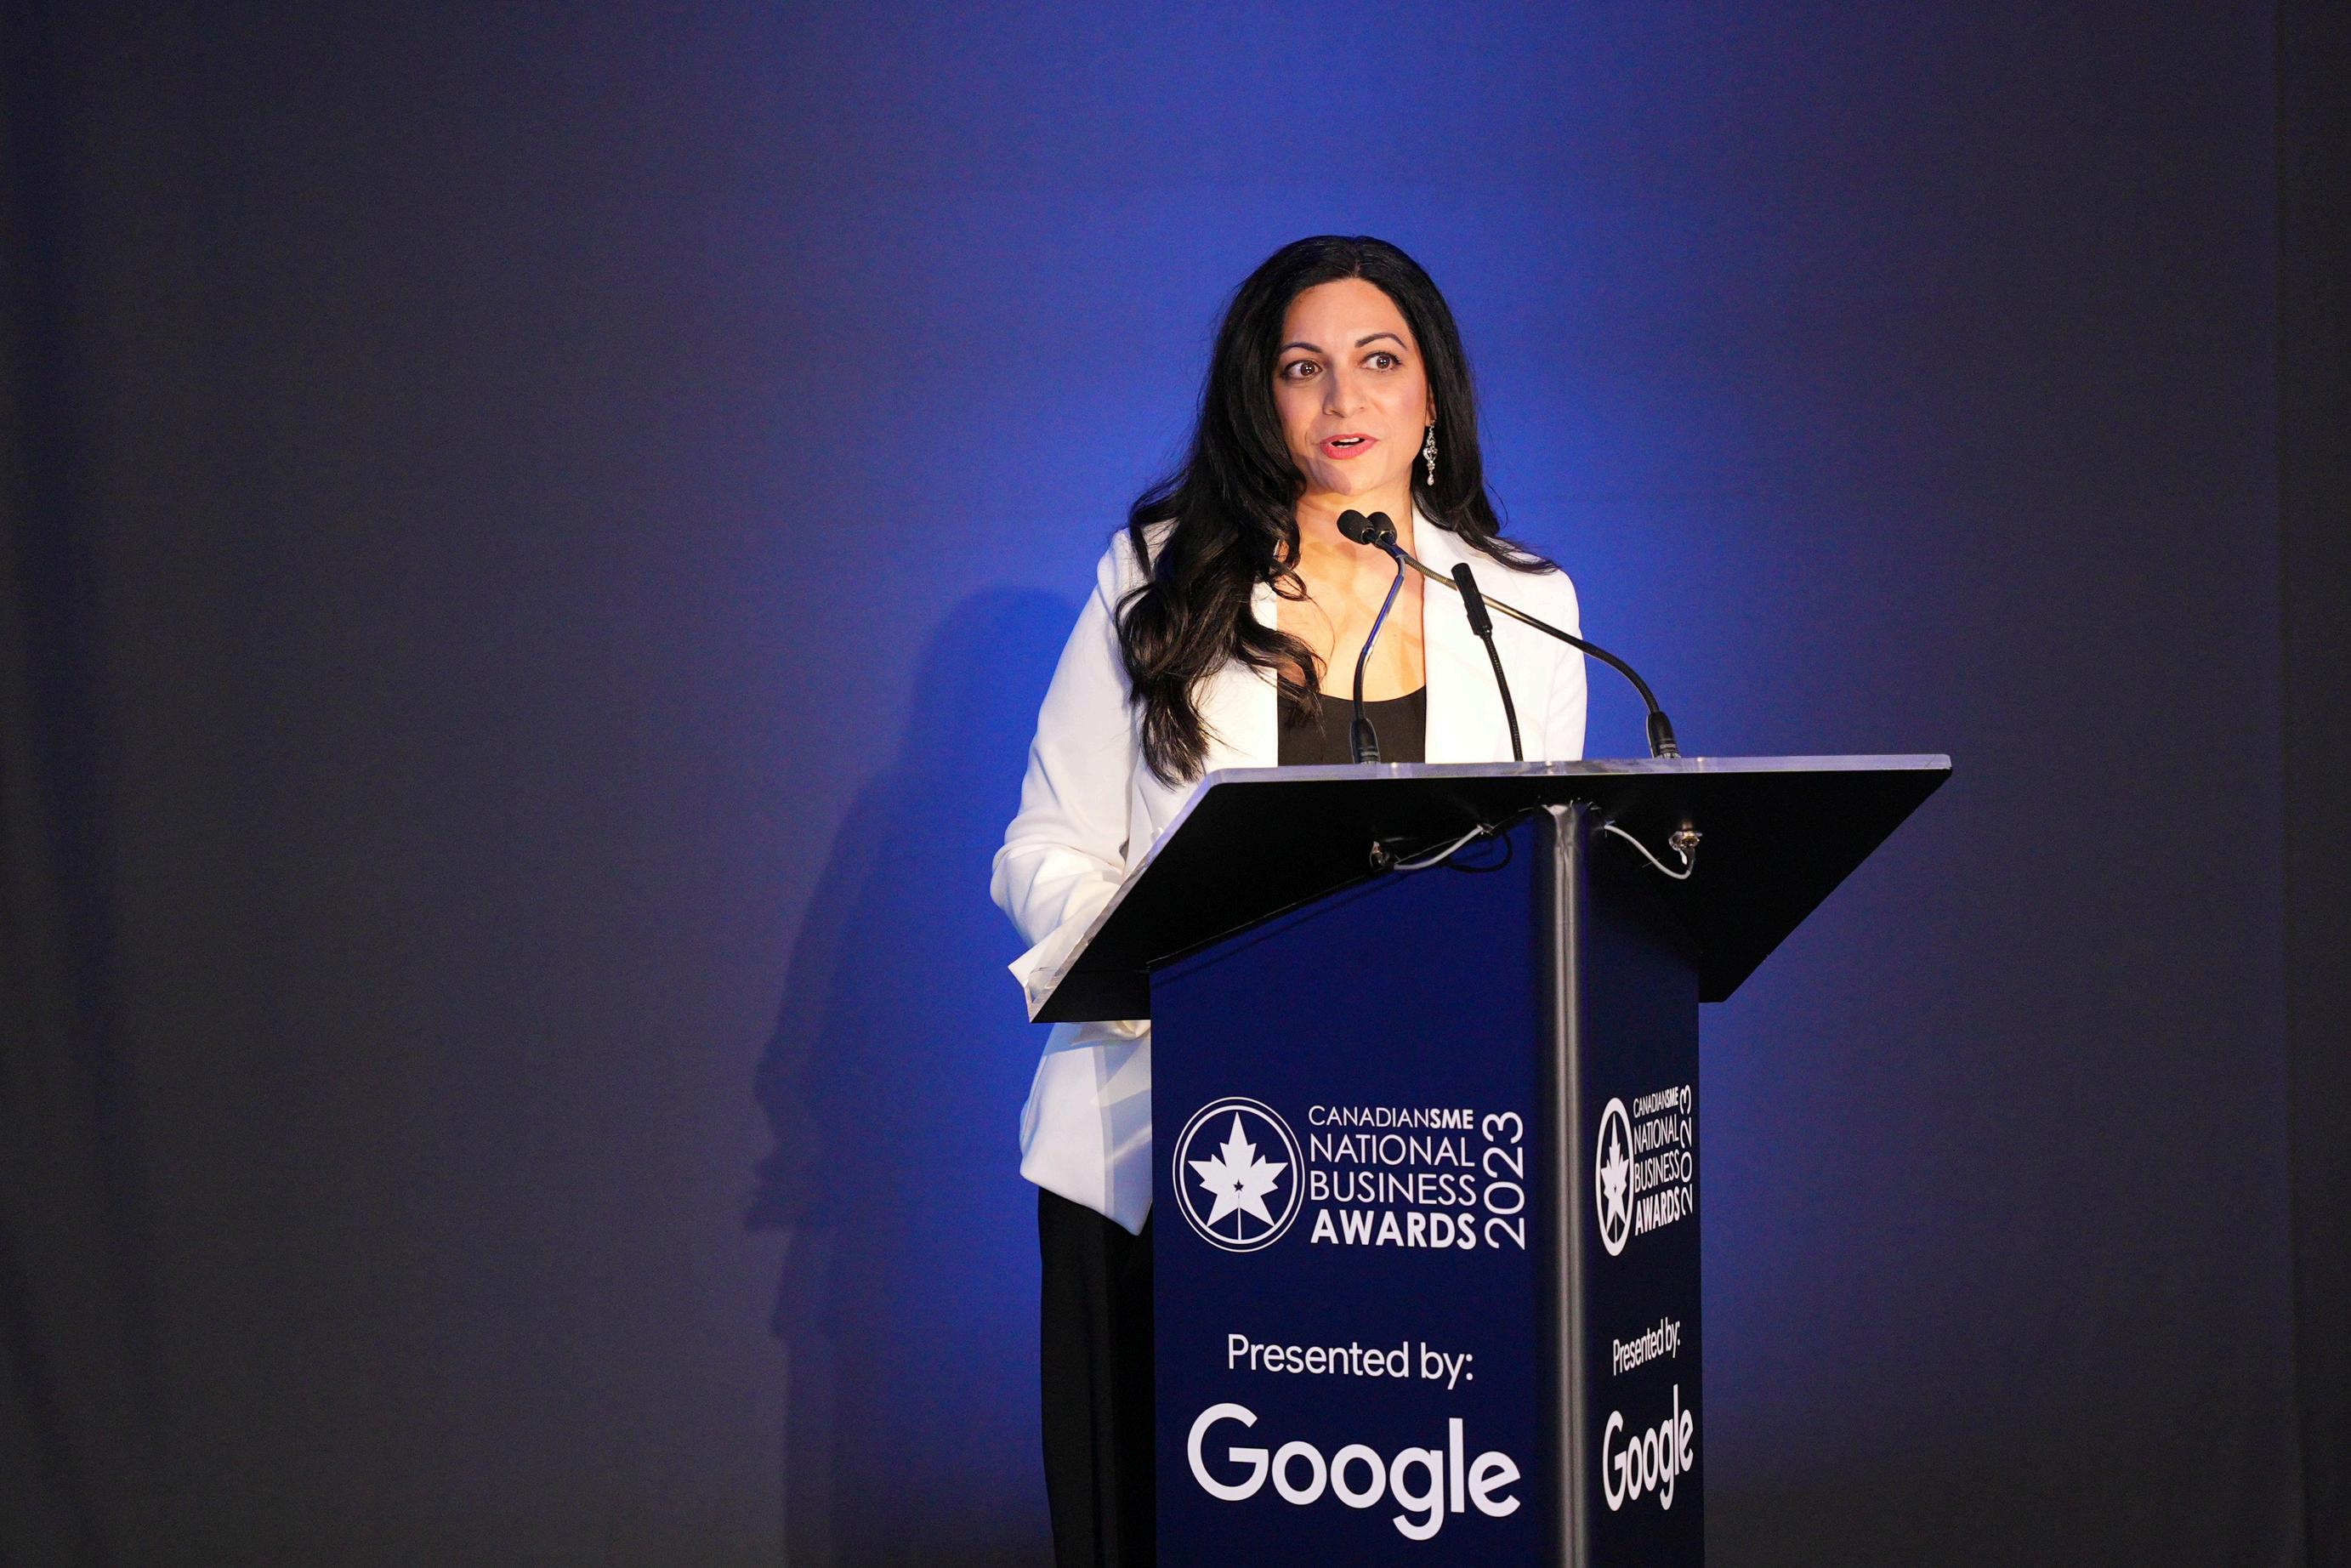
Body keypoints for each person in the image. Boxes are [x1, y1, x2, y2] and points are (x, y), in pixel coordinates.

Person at [989, 235, 1588, 1568]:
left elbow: (1544, 893)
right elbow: (1044, 844)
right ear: (1258, 399)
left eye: (1377, 362)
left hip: (1425, 1169)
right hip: (1169, 1151)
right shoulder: (1161, 576)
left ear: (1430, 395)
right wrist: (1167, 985)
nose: (1341, 399)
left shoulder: (1524, 611)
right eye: (1301, 368)